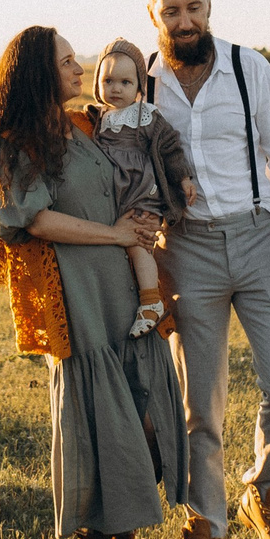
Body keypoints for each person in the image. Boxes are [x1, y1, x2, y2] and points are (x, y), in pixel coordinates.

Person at [0, 25, 190, 539]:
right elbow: (32, 220)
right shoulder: (18, 143)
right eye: (66, 62)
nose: (79, 68)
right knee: (97, 421)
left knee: (147, 412)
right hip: (79, 292)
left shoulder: (86, 125)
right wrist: (113, 234)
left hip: (127, 291)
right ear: (39, 72)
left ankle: (126, 527)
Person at [142, 0, 270, 539]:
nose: (184, 20)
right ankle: (204, 532)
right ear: (153, 15)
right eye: (171, 11)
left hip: (257, 237)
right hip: (184, 249)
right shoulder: (142, 85)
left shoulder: (250, 69)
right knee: (201, 405)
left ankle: (265, 492)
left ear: (209, 6)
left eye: (193, 8)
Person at [90, 38, 198, 336]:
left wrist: (184, 178)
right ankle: (128, 301)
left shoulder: (146, 116)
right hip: (114, 203)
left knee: (139, 246)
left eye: (126, 82)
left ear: (139, 86)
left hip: (142, 197)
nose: (116, 88)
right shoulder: (97, 118)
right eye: (108, 80)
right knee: (120, 250)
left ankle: (151, 301)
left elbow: (170, 149)